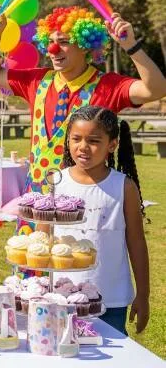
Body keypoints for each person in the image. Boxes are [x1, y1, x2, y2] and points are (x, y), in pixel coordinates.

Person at [0, 7, 166, 194]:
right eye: (50, 41)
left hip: (86, 197)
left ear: (84, 46)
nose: (53, 49)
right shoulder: (36, 80)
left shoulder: (108, 85)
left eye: (64, 41)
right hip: (36, 197)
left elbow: (156, 89)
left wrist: (131, 46)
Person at [52, 106, 149, 335]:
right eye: (76, 138)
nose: (83, 146)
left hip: (110, 298)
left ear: (112, 145)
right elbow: (44, 239)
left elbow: (137, 243)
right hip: (61, 294)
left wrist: (143, 295)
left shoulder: (124, 186)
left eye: (93, 141)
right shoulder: (57, 181)